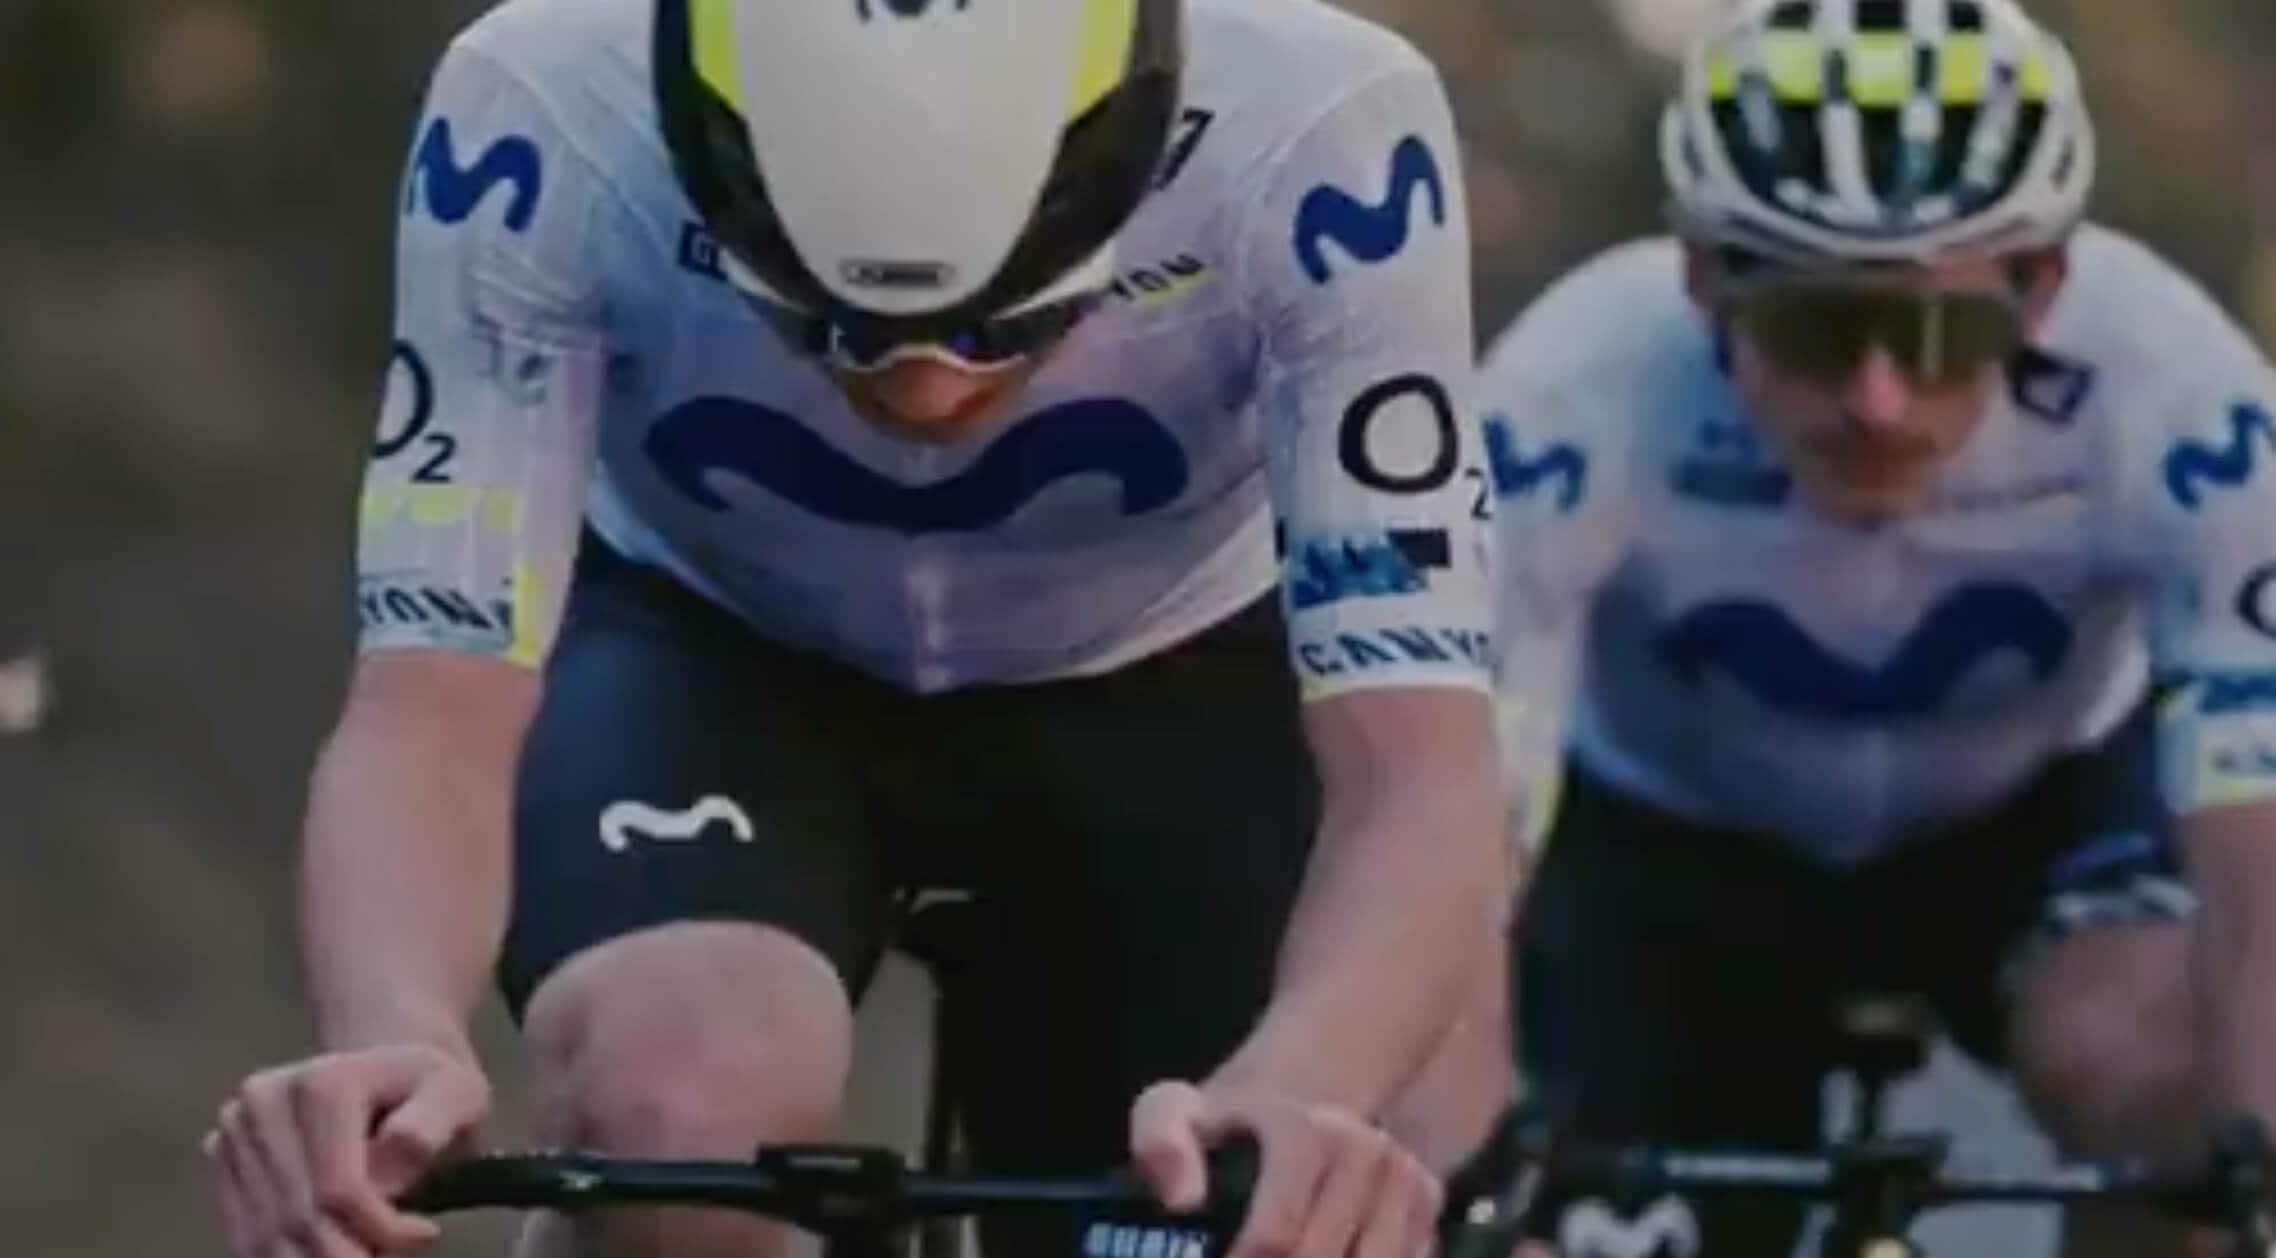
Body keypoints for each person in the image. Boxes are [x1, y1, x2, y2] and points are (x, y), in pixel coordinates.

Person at [203, 1, 1516, 1256]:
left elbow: (1420, 767)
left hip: (1171, 667)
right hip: (711, 646)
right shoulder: (546, 108)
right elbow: (430, 711)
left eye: (1016, 314)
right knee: (680, 1121)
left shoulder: (1324, 128)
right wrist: (398, 1033)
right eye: (819, 315)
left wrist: (1305, 1084)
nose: (923, 383)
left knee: (1232, 1200)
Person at [1479, 0, 2276, 1254]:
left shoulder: (2175, 387)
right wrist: (1457, 1149)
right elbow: (1467, 822)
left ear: (2043, 286)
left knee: (2181, 1105)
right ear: (1702, 281)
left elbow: (2255, 825)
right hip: (1671, 845)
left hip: (2029, 818)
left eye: (1943, 333)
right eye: (1814, 328)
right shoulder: (1574, 384)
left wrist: (2251, 1149)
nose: (1876, 399)